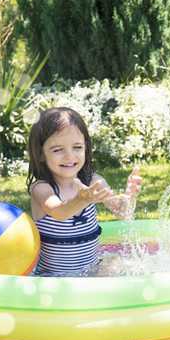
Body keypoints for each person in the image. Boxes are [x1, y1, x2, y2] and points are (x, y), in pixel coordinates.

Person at [26, 107, 142, 277]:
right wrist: (81, 200)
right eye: (58, 150)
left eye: (77, 147)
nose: (69, 156)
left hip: (92, 272)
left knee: (117, 264)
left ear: (85, 149)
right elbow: (59, 212)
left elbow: (122, 211)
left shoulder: (93, 181)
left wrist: (129, 196)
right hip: (53, 278)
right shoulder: (42, 188)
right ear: (41, 154)